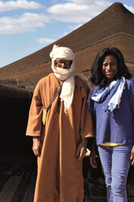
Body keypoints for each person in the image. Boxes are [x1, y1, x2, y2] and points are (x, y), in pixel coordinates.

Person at [26, 44, 94, 202]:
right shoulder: (43, 84)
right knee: (46, 175)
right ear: (54, 62)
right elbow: (34, 113)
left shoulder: (80, 86)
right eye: (59, 62)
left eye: (66, 62)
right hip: (47, 140)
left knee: (71, 176)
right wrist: (35, 139)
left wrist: (84, 142)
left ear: (72, 63)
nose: (62, 65)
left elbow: (86, 115)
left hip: (72, 142)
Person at [88, 47, 134, 202]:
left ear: (119, 64)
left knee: (118, 186)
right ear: (100, 66)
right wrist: (92, 148)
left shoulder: (129, 85)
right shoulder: (96, 91)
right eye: (105, 64)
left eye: (112, 64)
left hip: (123, 143)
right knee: (109, 184)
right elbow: (93, 121)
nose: (108, 68)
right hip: (102, 144)